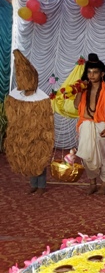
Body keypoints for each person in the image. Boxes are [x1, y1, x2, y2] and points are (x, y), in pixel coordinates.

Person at [4, 50, 54, 196]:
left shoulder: (42, 98)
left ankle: (41, 185)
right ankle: (33, 184)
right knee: (28, 157)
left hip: (38, 134)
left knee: (39, 158)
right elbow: (12, 116)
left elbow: (46, 119)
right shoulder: (15, 96)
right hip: (23, 134)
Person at [74, 53, 105, 195]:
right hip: (85, 124)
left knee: (104, 154)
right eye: (89, 72)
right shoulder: (83, 88)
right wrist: (80, 90)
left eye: (95, 72)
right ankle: (92, 183)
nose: (91, 75)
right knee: (87, 155)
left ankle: (104, 183)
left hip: (101, 124)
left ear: (102, 74)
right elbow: (76, 105)